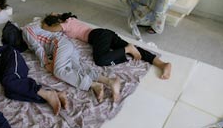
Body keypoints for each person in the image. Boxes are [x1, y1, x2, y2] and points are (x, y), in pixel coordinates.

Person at [41, 13, 172, 80]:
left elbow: (49, 28)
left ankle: (127, 49)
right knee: (135, 50)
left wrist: (44, 24)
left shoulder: (66, 24)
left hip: (97, 36)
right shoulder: (71, 19)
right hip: (105, 33)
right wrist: (54, 15)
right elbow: (56, 15)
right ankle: (162, 64)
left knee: (100, 60)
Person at [22, 20, 121, 103]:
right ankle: (109, 81)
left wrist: (46, 63)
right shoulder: (31, 33)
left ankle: (93, 84)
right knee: (77, 68)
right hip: (66, 45)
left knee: (59, 71)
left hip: (59, 44)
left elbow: (37, 47)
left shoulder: (26, 30)